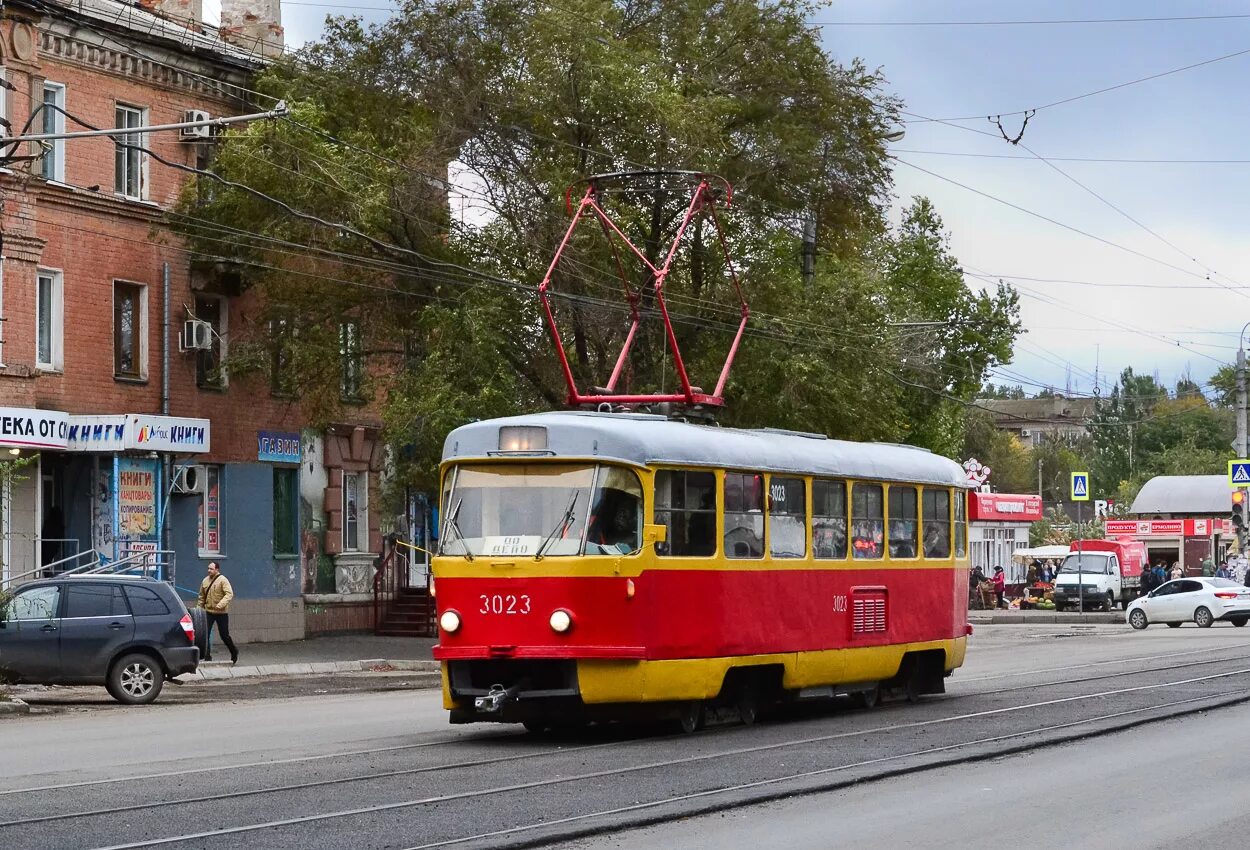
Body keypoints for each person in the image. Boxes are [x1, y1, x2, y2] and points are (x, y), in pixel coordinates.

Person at [197, 562, 238, 664]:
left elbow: (229, 594)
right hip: (209, 612)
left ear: (217, 570)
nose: (209, 570)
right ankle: (207, 656)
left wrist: (220, 605)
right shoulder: (205, 581)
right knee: (205, 634)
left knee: (224, 635)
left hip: (221, 613)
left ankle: (234, 651)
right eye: (208, 568)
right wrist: (198, 610)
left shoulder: (223, 580)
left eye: (211, 569)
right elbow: (201, 597)